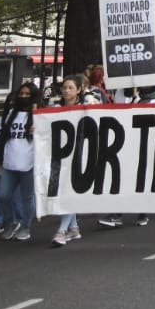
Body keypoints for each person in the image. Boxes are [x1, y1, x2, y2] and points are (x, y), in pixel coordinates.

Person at [51, 75, 103, 245]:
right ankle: (73, 229)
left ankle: (62, 230)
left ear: (79, 89)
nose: (66, 91)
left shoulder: (85, 106)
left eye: (70, 87)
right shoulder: (55, 107)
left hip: (80, 155)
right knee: (64, 192)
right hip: (60, 155)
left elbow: (98, 113)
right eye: (64, 87)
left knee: (70, 191)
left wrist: (88, 96)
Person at [0, 81, 39, 240]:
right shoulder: (10, 114)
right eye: (21, 94)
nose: (23, 97)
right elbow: (2, 137)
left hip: (29, 163)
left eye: (27, 95)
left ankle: (25, 226)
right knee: (3, 195)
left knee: (27, 197)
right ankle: (10, 222)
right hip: (9, 162)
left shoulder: (40, 115)